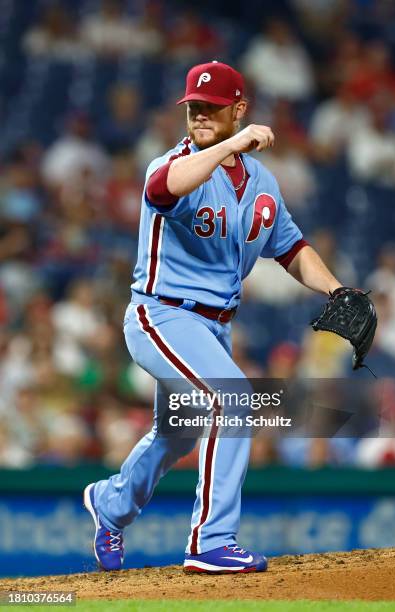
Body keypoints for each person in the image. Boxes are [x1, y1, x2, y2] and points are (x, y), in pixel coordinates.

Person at [83, 61, 342, 573]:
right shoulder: (176, 163)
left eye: (211, 108)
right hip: (161, 315)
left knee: (178, 431)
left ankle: (111, 505)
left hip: (214, 327)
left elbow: (291, 247)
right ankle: (211, 540)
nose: (199, 115)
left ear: (238, 108)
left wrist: (337, 289)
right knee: (234, 398)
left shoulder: (261, 181)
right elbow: (164, 189)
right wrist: (230, 145)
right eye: (193, 108)